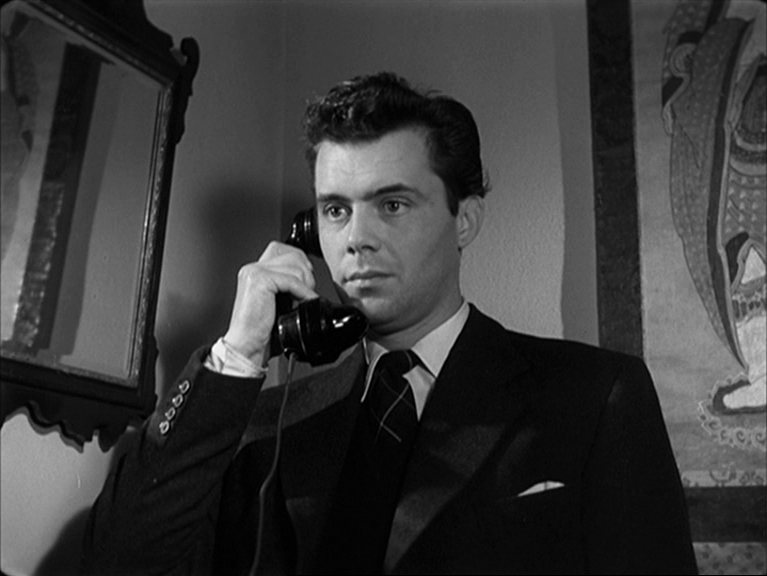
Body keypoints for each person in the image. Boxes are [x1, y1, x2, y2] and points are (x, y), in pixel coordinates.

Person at [81, 72, 698, 575]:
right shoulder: (267, 424)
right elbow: (118, 561)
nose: (356, 239)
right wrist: (237, 355)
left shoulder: (594, 397)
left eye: (392, 204)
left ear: (464, 221)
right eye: (335, 210)